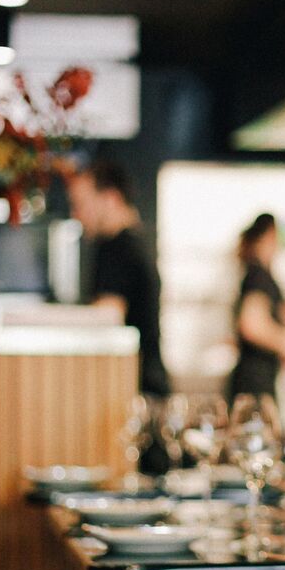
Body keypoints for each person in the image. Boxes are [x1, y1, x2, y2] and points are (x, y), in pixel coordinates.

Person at [66, 161, 171, 396]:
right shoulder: (132, 242)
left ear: (111, 198)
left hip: (138, 389)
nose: (76, 215)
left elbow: (107, 316)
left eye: (80, 204)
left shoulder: (119, 248)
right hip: (145, 383)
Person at [228, 213, 285, 397]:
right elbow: (252, 326)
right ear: (269, 236)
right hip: (255, 380)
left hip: (255, 376)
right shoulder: (258, 275)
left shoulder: (254, 273)